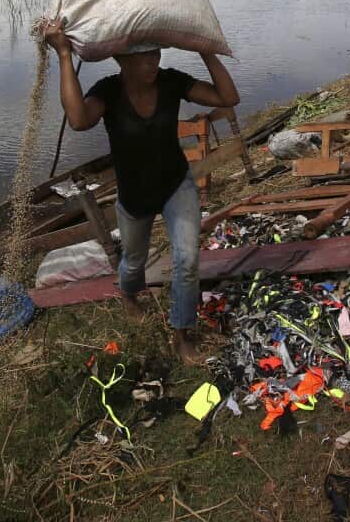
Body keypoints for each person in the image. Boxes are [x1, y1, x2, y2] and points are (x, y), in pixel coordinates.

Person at [42, 22, 240, 363]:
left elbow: (228, 98)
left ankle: (182, 334)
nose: (153, 62)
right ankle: (130, 296)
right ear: (122, 59)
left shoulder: (171, 81)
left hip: (176, 185)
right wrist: (63, 54)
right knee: (133, 262)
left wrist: (206, 50)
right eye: (144, 56)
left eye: (156, 53)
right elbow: (77, 119)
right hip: (134, 196)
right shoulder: (108, 91)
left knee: (188, 259)